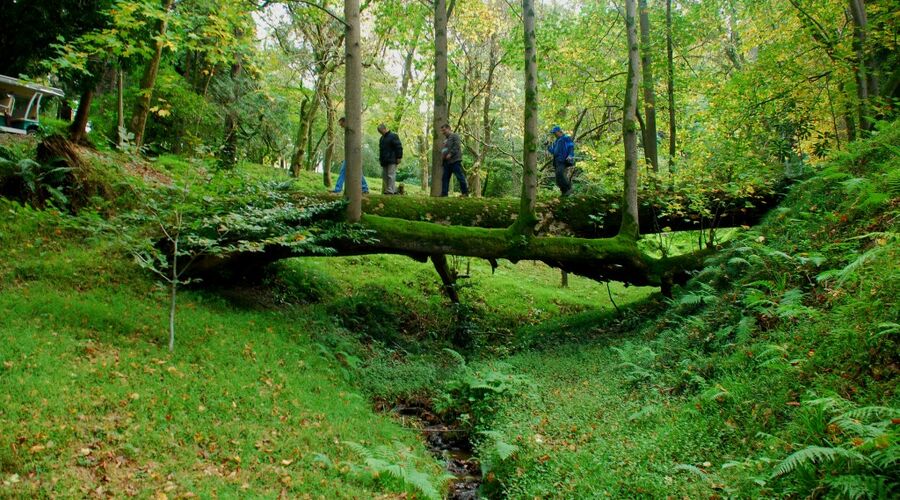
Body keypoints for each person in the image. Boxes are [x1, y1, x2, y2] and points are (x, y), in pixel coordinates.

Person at [332, 117, 369, 194]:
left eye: (341, 124)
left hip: (354, 156)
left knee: (349, 171)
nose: (341, 126)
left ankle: (338, 189)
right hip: (349, 156)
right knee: (352, 172)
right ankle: (364, 188)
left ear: (345, 122)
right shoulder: (347, 132)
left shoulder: (352, 131)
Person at [439, 123, 469, 197]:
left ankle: (465, 193)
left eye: (444, 130)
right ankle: (444, 194)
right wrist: (443, 157)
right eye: (442, 131)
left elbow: (457, 146)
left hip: (455, 161)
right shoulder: (446, 140)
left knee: (460, 176)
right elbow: (445, 150)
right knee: (445, 178)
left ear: (449, 129)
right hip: (446, 162)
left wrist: (451, 154)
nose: (443, 132)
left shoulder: (455, 136)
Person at [547, 125, 575, 195]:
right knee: (557, 179)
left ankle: (569, 189)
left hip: (563, 160)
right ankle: (564, 192)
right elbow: (554, 151)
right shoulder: (556, 141)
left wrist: (570, 155)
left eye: (555, 132)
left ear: (559, 131)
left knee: (560, 174)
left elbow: (571, 147)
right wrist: (548, 146)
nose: (554, 134)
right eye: (553, 133)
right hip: (556, 161)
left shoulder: (566, 138)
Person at [377, 123, 403, 194]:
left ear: (384, 129)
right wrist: (380, 160)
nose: (380, 132)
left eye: (380, 130)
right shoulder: (381, 139)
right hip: (384, 160)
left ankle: (390, 190)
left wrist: (399, 157)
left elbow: (399, 147)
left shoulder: (393, 136)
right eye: (379, 131)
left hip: (392, 159)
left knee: (391, 175)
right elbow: (381, 150)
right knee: (385, 176)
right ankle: (392, 189)